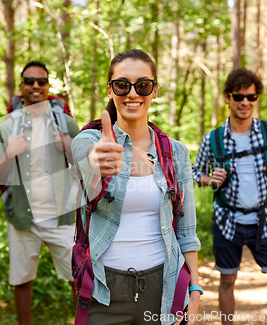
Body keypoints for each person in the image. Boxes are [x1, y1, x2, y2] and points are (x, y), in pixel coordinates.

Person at [71, 49, 202, 325]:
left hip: (162, 287)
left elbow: (187, 231)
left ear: (154, 91)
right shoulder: (90, 139)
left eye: (142, 85)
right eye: (122, 85)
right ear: (110, 90)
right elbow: (85, 156)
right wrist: (99, 159)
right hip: (103, 290)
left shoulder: (175, 152)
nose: (132, 93)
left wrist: (195, 289)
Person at [192, 68, 267, 325]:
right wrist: (209, 179)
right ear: (227, 98)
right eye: (238, 97)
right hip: (227, 222)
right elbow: (196, 172)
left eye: (251, 96)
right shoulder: (213, 139)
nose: (245, 102)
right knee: (227, 281)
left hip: (264, 222)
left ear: (256, 98)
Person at [0, 61, 80, 325]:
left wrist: (69, 146)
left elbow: (89, 167)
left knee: (78, 278)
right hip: (23, 220)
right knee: (22, 280)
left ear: (49, 86)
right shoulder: (7, 127)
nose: (36, 86)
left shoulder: (67, 123)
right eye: (29, 81)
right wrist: (9, 153)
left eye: (41, 81)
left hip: (63, 218)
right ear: (21, 86)